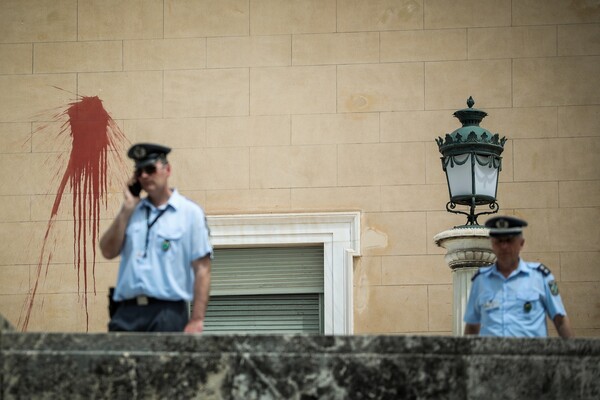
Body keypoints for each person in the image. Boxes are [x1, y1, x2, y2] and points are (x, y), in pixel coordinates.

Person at [100, 143, 212, 333]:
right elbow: (108, 251)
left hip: (166, 312)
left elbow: (202, 269)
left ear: (167, 170)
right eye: (139, 171)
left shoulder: (189, 213)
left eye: (150, 169)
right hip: (126, 312)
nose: (144, 176)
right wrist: (125, 211)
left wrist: (197, 319)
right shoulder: (131, 211)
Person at [464, 215, 574, 338]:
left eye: (509, 240)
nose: (504, 246)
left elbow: (560, 321)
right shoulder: (480, 280)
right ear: (492, 244)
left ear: (521, 243)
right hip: (492, 355)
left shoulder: (541, 277)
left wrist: (576, 356)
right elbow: (472, 326)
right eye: (499, 241)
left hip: (530, 356)